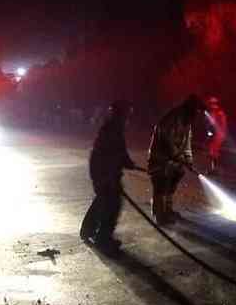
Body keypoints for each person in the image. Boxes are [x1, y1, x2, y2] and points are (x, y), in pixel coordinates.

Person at [81, 100, 142, 252]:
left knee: (103, 200)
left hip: (104, 171)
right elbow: (109, 154)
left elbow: (120, 151)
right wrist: (110, 177)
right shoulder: (112, 129)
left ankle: (88, 230)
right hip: (104, 172)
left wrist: (128, 163)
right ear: (121, 113)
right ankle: (103, 239)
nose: (129, 117)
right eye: (128, 113)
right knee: (112, 205)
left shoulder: (115, 128)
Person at [147, 94, 205, 225]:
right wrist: (179, 158)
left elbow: (187, 143)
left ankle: (167, 210)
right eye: (196, 111)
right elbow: (168, 140)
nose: (197, 116)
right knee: (160, 187)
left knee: (171, 186)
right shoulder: (172, 118)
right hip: (160, 160)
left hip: (174, 162)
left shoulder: (187, 121)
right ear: (190, 108)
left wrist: (188, 159)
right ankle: (159, 215)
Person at [204, 96, 228, 175]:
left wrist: (221, 134)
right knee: (212, 152)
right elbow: (210, 125)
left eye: (213, 103)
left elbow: (222, 125)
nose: (212, 105)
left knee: (213, 152)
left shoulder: (219, 113)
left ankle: (215, 169)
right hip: (216, 134)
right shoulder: (213, 113)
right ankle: (214, 169)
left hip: (218, 135)